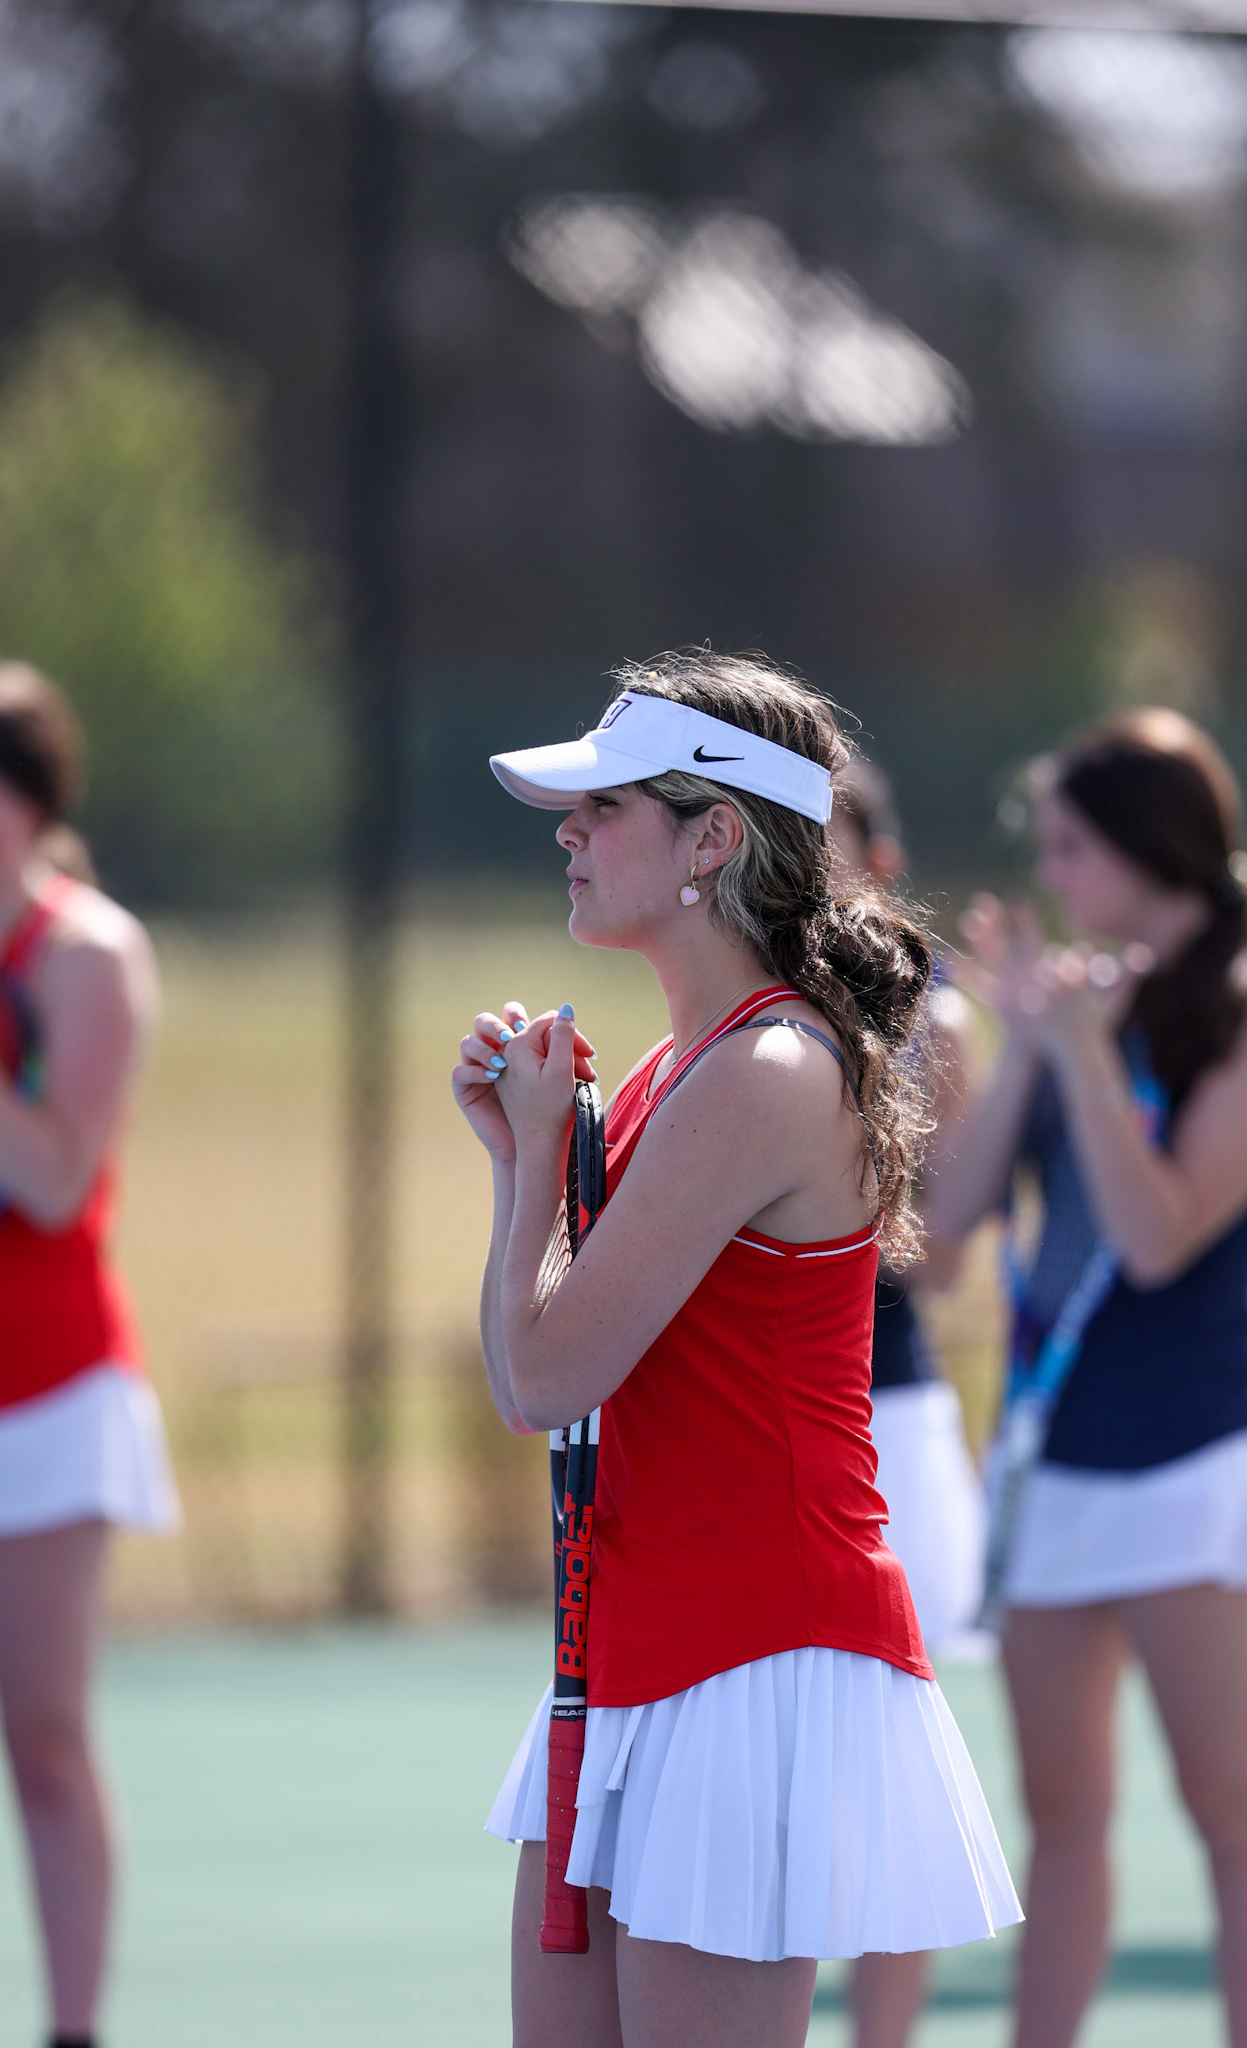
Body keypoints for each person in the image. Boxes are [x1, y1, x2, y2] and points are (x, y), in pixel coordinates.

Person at [452, 651, 1020, 2048]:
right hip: (636, 1643)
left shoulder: (768, 1072)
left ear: (713, 838)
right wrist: (517, 1162)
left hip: (753, 1654)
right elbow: (540, 1376)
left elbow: (541, 1375)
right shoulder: (670, 1070)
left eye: (606, 809)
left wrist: (535, 1167)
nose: (569, 833)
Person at [929, 707, 1247, 2048]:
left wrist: (1085, 1058)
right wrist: (1021, 1045)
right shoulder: (1073, 1003)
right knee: (1060, 1821)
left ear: (1156, 850)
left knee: (1227, 1812)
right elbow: (940, 1235)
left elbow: (1155, 1239)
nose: (1055, 882)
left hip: (1189, 1462)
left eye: (1073, 850)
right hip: (1054, 1467)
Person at [0, 661, 177, 2048]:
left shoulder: (88, 953)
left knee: (42, 1732)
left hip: (43, 1392)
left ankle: (73, 2027)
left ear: (31, 804)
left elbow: (47, 1179)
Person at [830, 758, 988, 2048]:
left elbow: (941, 1251)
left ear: (878, 862)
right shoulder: (748, 1014)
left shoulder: (930, 1027)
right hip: (775, 1423)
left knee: (889, 1782)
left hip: (891, 1419)